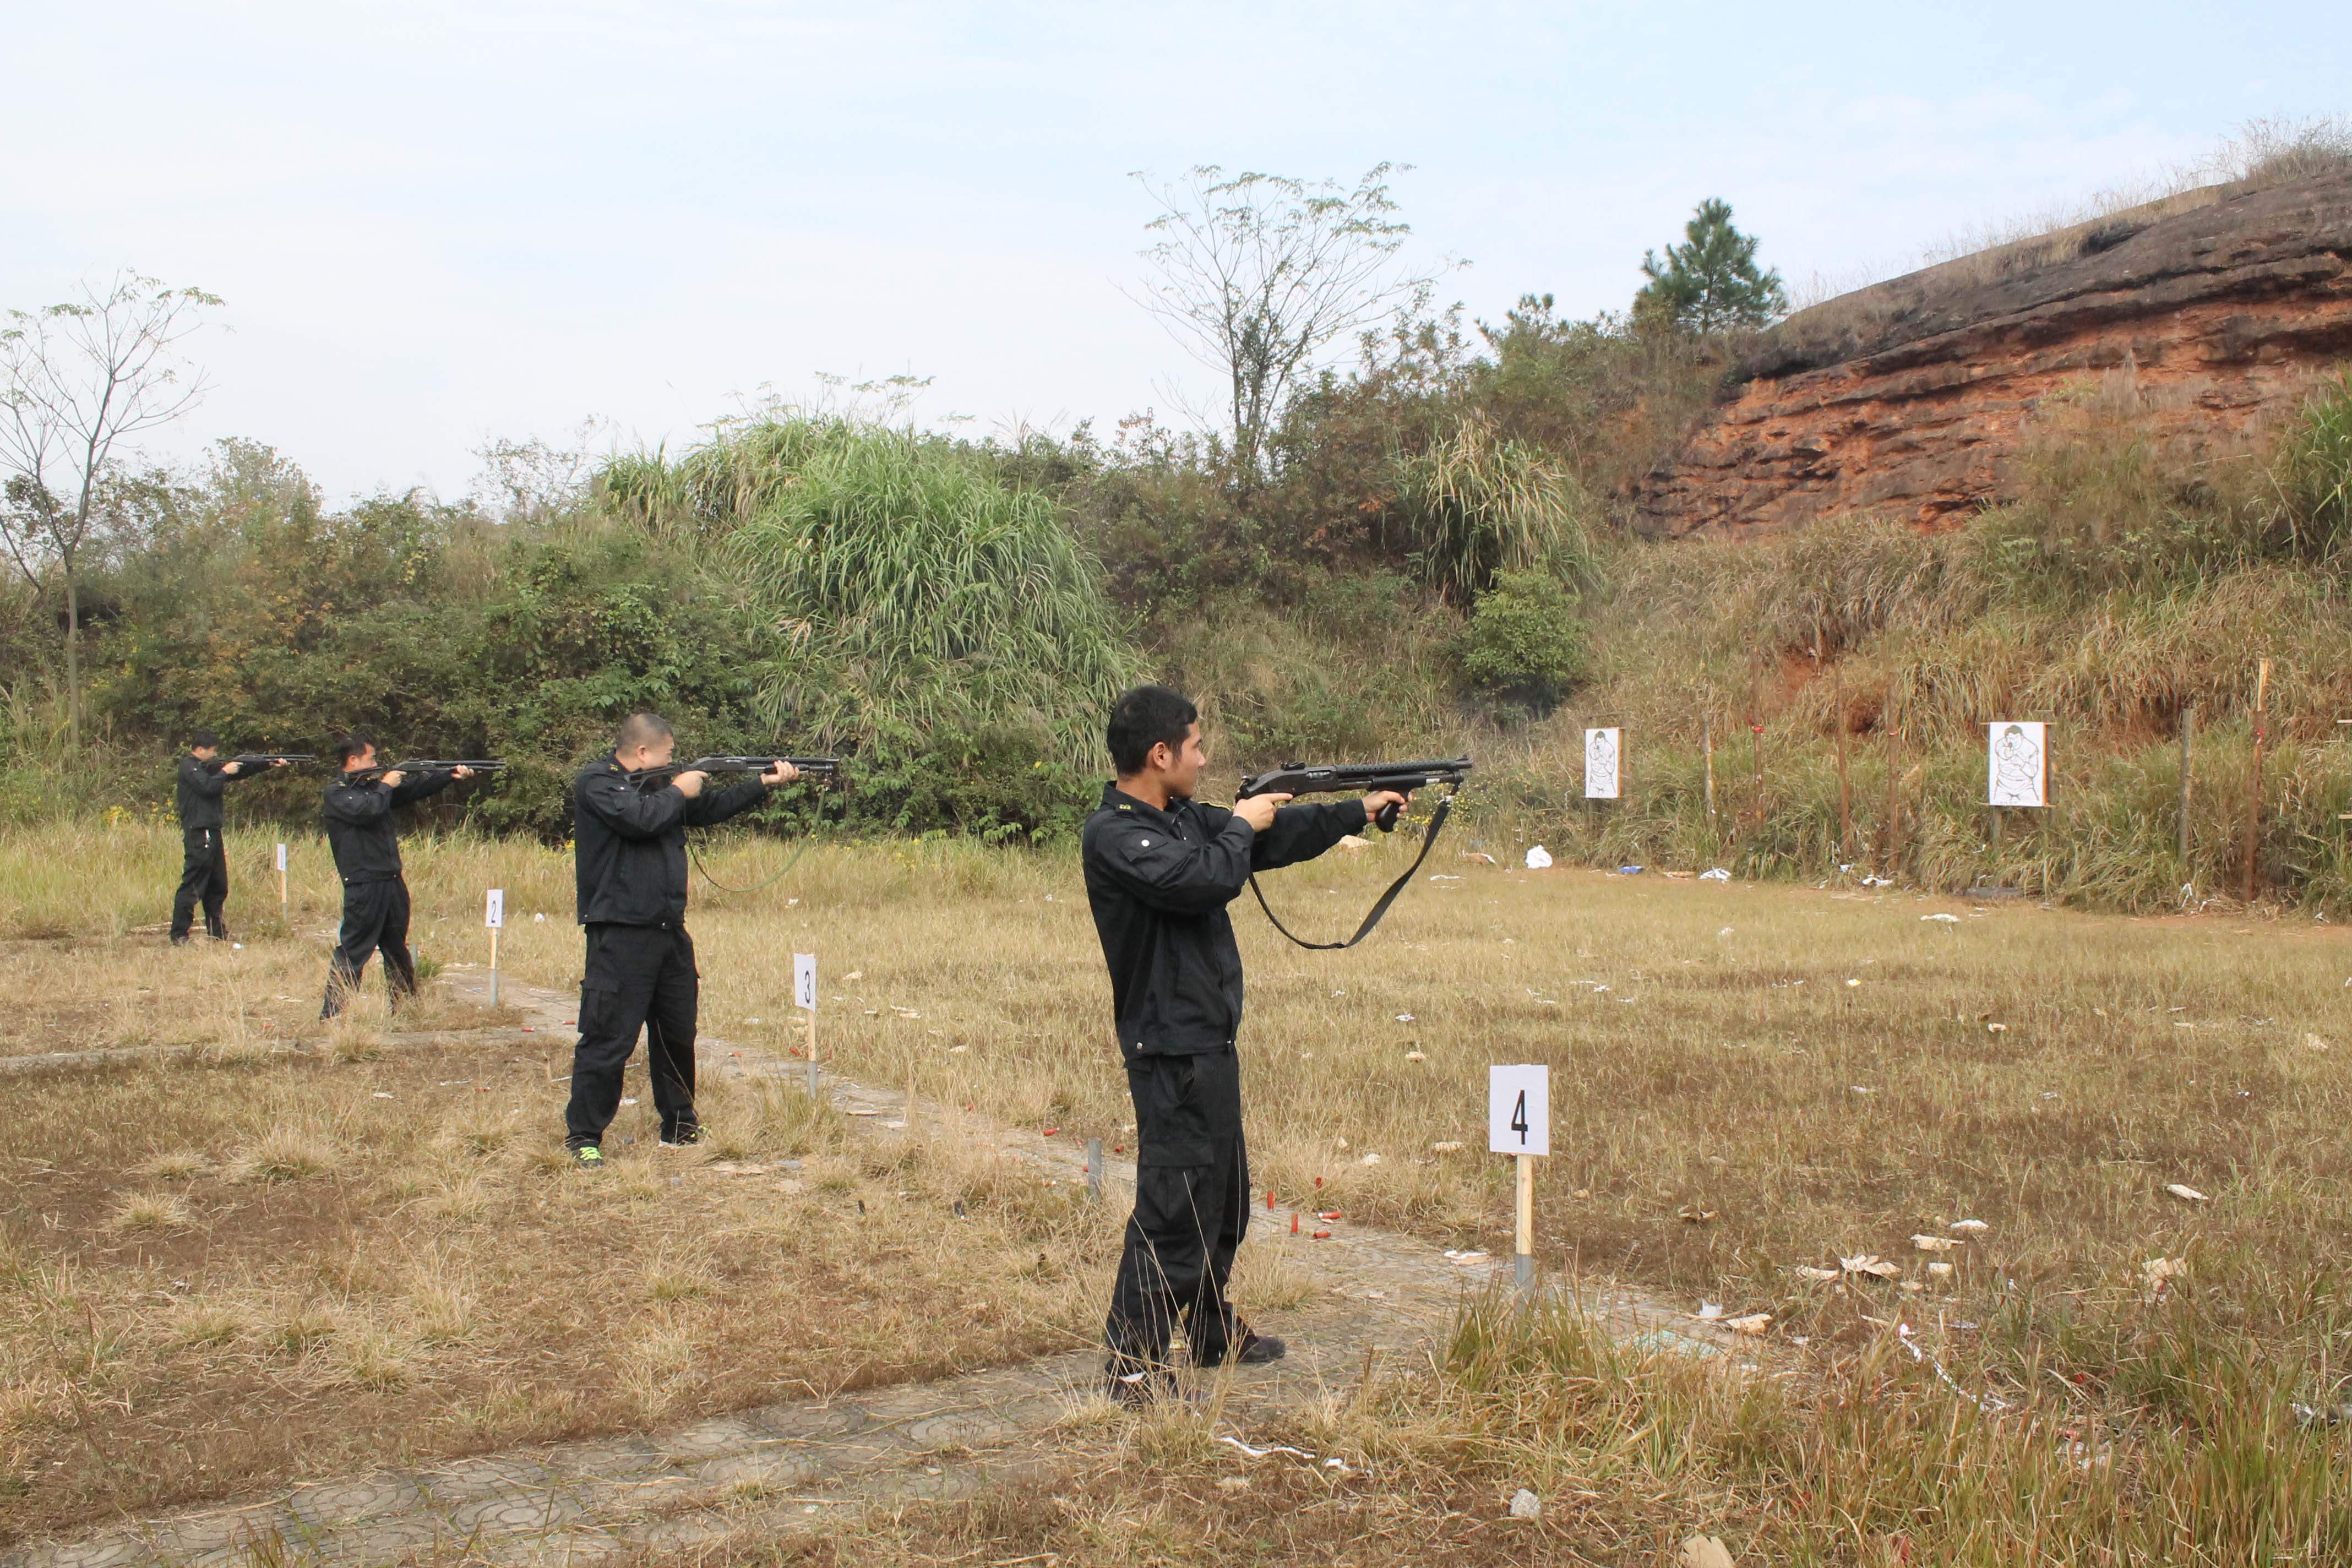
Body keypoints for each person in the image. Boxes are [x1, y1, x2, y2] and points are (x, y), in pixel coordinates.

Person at [1080, 684, 1408, 1401]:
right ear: (1159, 754)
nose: (1204, 757)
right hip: (1169, 1050)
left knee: (1222, 1200)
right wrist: (1238, 825)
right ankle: (1129, 1367)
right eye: (1195, 746)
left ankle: (1206, 1332)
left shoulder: (1180, 819)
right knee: (1173, 1209)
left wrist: (1358, 808)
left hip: (1206, 1043)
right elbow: (1205, 880)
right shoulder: (1116, 835)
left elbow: (1271, 840)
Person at [563, 714, 796, 1169]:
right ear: (644, 753)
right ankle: (584, 1136)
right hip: (621, 934)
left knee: (676, 1033)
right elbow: (639, 820)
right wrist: (677, 789)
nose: (673, 763)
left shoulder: (657, 788)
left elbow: (704, 811)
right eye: (668, 755)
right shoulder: (599, 783)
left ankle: (679, 1124)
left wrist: (762, 785)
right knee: (609, 1036)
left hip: (669, 930)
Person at [319, 737, 475, 1018]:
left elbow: (412, 791)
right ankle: (334, 1014)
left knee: (396, 949)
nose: (376, 765)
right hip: (363, 883)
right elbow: (367, 811)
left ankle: (404, 1006)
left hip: (391, 880)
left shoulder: (371, 789)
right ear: (353, 761)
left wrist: (447, 777)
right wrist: (385, 785)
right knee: (354, 950)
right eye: (371, 760)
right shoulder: (338, 793)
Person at [171, 731, 287, 944]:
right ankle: (179, 934)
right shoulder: (189, 767)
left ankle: (216, 931)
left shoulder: (207, 768)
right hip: (200, 832)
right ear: (199, 750)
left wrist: (267, 764)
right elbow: (208, 787)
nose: (215, 755)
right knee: (194, 884)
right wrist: (225, 772)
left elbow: (238, 771)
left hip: (213, 831)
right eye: (212, 751)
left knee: (218, 884)